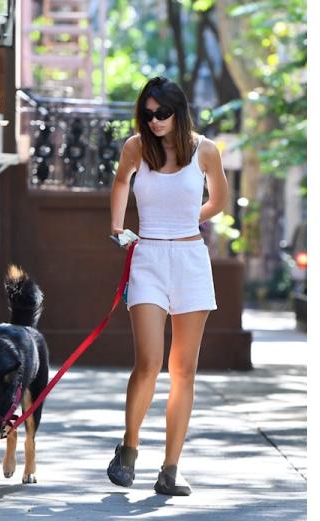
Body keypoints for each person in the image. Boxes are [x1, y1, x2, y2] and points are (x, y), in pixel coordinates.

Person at [107, 76, 229, 496]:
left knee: (184, 371)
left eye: (162, 113)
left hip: (191, 260)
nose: (154, 121)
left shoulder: (206, 151)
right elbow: (122, 181)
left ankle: (171, 469)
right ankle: (129, 446)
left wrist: (192, 218)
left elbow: (219, 200)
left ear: (179, 112)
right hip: (149, 257)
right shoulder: (136, 147)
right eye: (148, 113)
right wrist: (118, 227)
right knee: (148, 362)